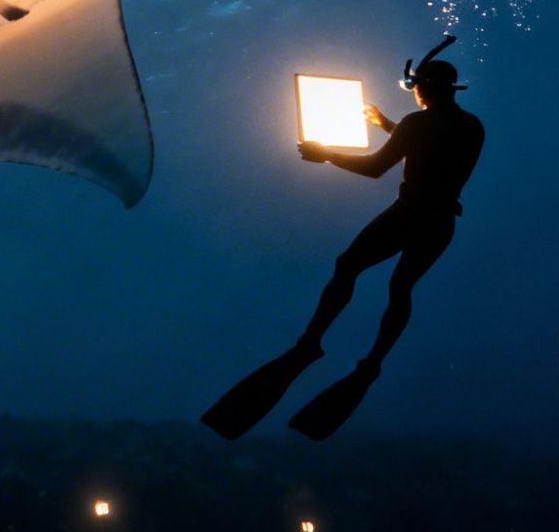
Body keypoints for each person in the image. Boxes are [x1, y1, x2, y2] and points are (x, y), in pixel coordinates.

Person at [201, 35, 485, 441]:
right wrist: (387, 125)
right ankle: (373, 361)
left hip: (407, 215)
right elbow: (432, 148)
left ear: (425, 88)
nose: (415, 94)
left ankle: (310, 342)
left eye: (417, 87)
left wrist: (326, 154)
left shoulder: (417, 124)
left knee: (346, 266)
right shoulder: (471, 125)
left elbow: (376, 168)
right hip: (441, 223)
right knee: (401, 288)